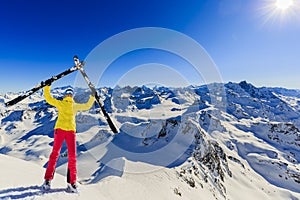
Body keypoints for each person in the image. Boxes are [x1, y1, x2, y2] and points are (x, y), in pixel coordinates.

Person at [42, 84, 95, 193]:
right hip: (67, 131)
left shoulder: (65, 104)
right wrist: (92, 96)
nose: (69, 95)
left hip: (65, 131)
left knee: (59, 155)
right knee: (67, 156)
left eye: (70, 93)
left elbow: (48, 98)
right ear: (67, 95)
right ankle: (62, 182)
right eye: (68, 93)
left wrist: (47, 87)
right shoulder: (68, 104)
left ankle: (57, 181)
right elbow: (87, 106)